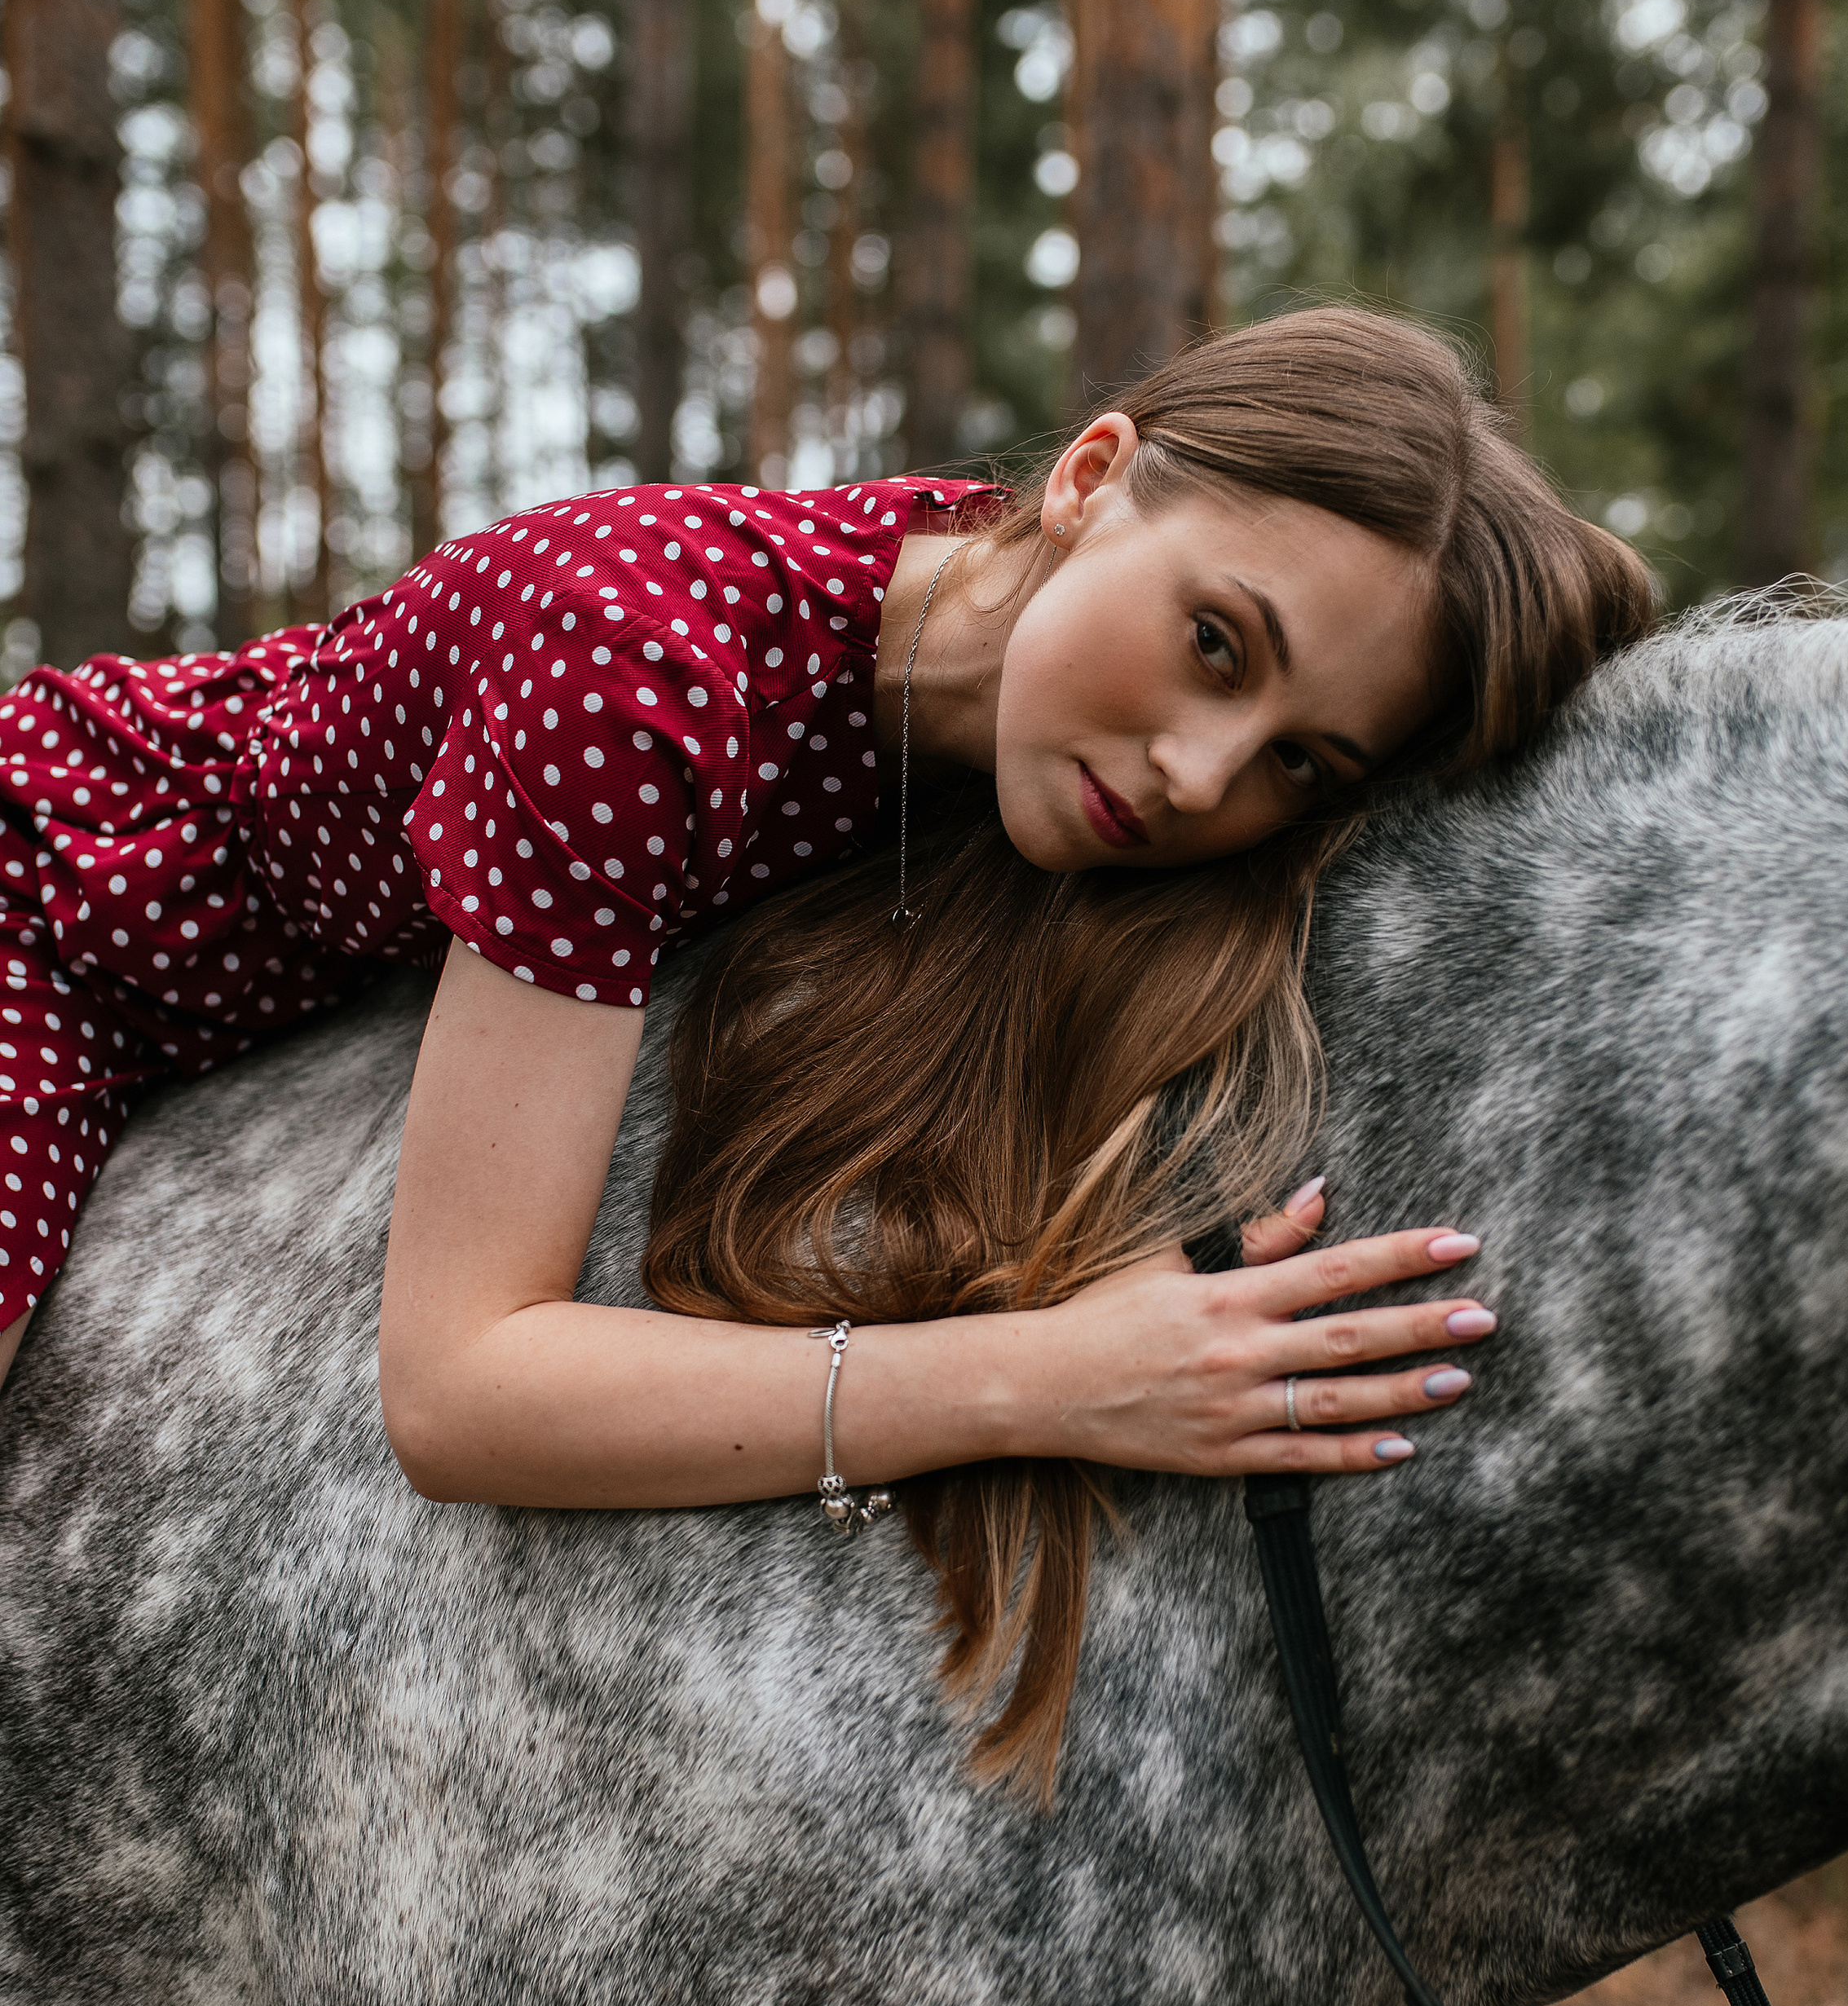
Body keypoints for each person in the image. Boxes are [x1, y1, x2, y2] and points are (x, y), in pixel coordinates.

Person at [0, 306, 1658, 1787]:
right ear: (1089, 474)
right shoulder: (637, 676)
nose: (1198, 776)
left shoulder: (989, 660)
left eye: (1299, 764)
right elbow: (458, 1392)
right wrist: (1053, 1379)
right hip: (43, 913)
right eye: (1216, 642)